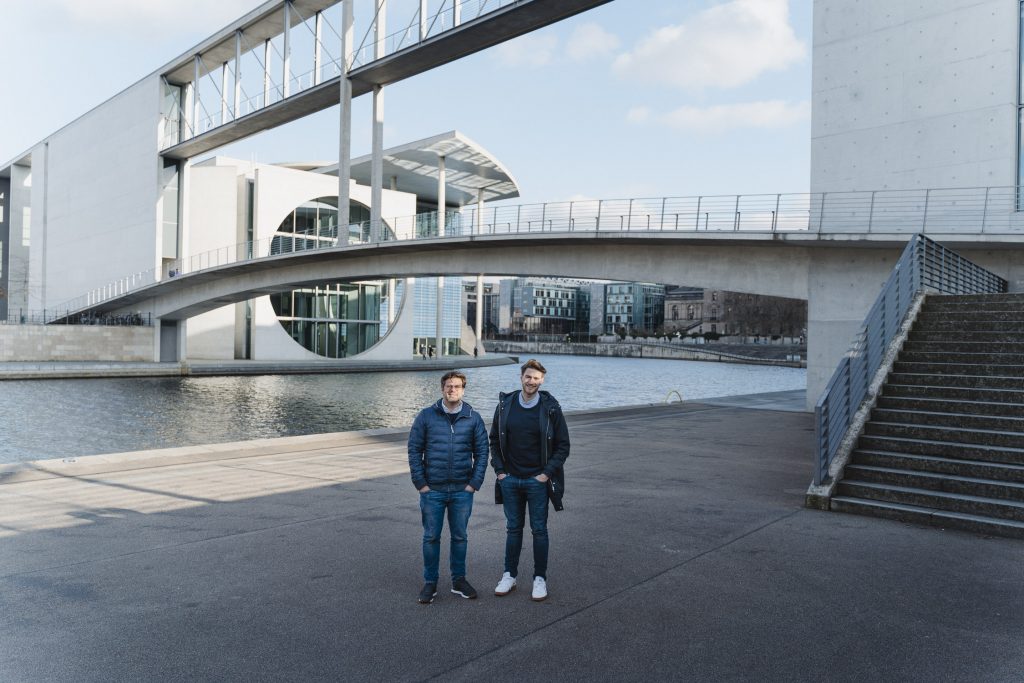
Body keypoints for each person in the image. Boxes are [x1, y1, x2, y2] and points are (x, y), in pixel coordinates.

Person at [489, 359, 570, 602]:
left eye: (536, 378)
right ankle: (509, 576)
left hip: (537, 481)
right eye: (528, 377)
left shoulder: (551, 408)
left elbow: (563, 446)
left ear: (542, 380)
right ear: (521, 377)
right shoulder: (506, 405)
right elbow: (493, 439)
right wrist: (500, 471)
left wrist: (545, 475)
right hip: (511, 479)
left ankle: (539, 579)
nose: (531, 381)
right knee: (513, 530)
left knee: (539, 530)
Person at [407, 370, 489, 604]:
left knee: (460, 537)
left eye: (456, 386)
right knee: (431, 537)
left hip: (462, 490)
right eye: (448, 386)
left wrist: (474, 483)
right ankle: (430, 583)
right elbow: (414, 449)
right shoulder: (426, 416)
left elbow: (482, 452)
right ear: (442, 389)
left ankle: (458, 580)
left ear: (463, 389)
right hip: (432, 489)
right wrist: (420, 483)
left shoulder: (473, 417)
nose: (452, 390)